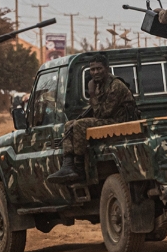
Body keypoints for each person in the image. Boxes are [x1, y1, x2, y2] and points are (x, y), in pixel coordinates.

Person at [50, 53, 138, 182]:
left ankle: (79, 169)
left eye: (99, 69)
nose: (95, 72)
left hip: (120, 121)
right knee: (70, 124)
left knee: (79, 125)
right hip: (109, 120)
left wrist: (91, 94)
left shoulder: (115, 85)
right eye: (92, 69)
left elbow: (103, 113)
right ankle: (68, 165)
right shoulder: (100, 85)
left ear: (106, 69)